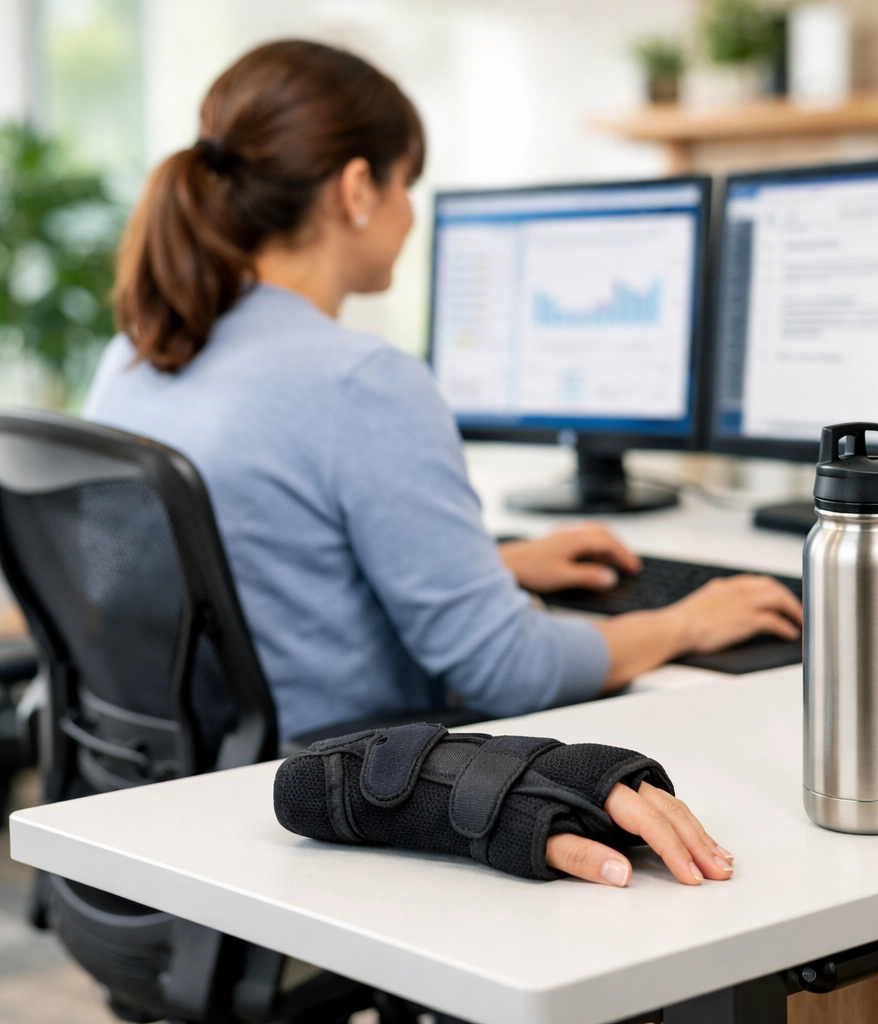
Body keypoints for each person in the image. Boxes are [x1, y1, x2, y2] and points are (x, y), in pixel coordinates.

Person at [84, 40, 800, 886]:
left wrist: (489, 564)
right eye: (404, 186)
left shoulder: (133, 359)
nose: (410, 216)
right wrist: (685, 621)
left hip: (173, 816)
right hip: (337, 808)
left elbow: (258, 566)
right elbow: (508, 670)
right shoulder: (360, 381)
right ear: (357, 190)